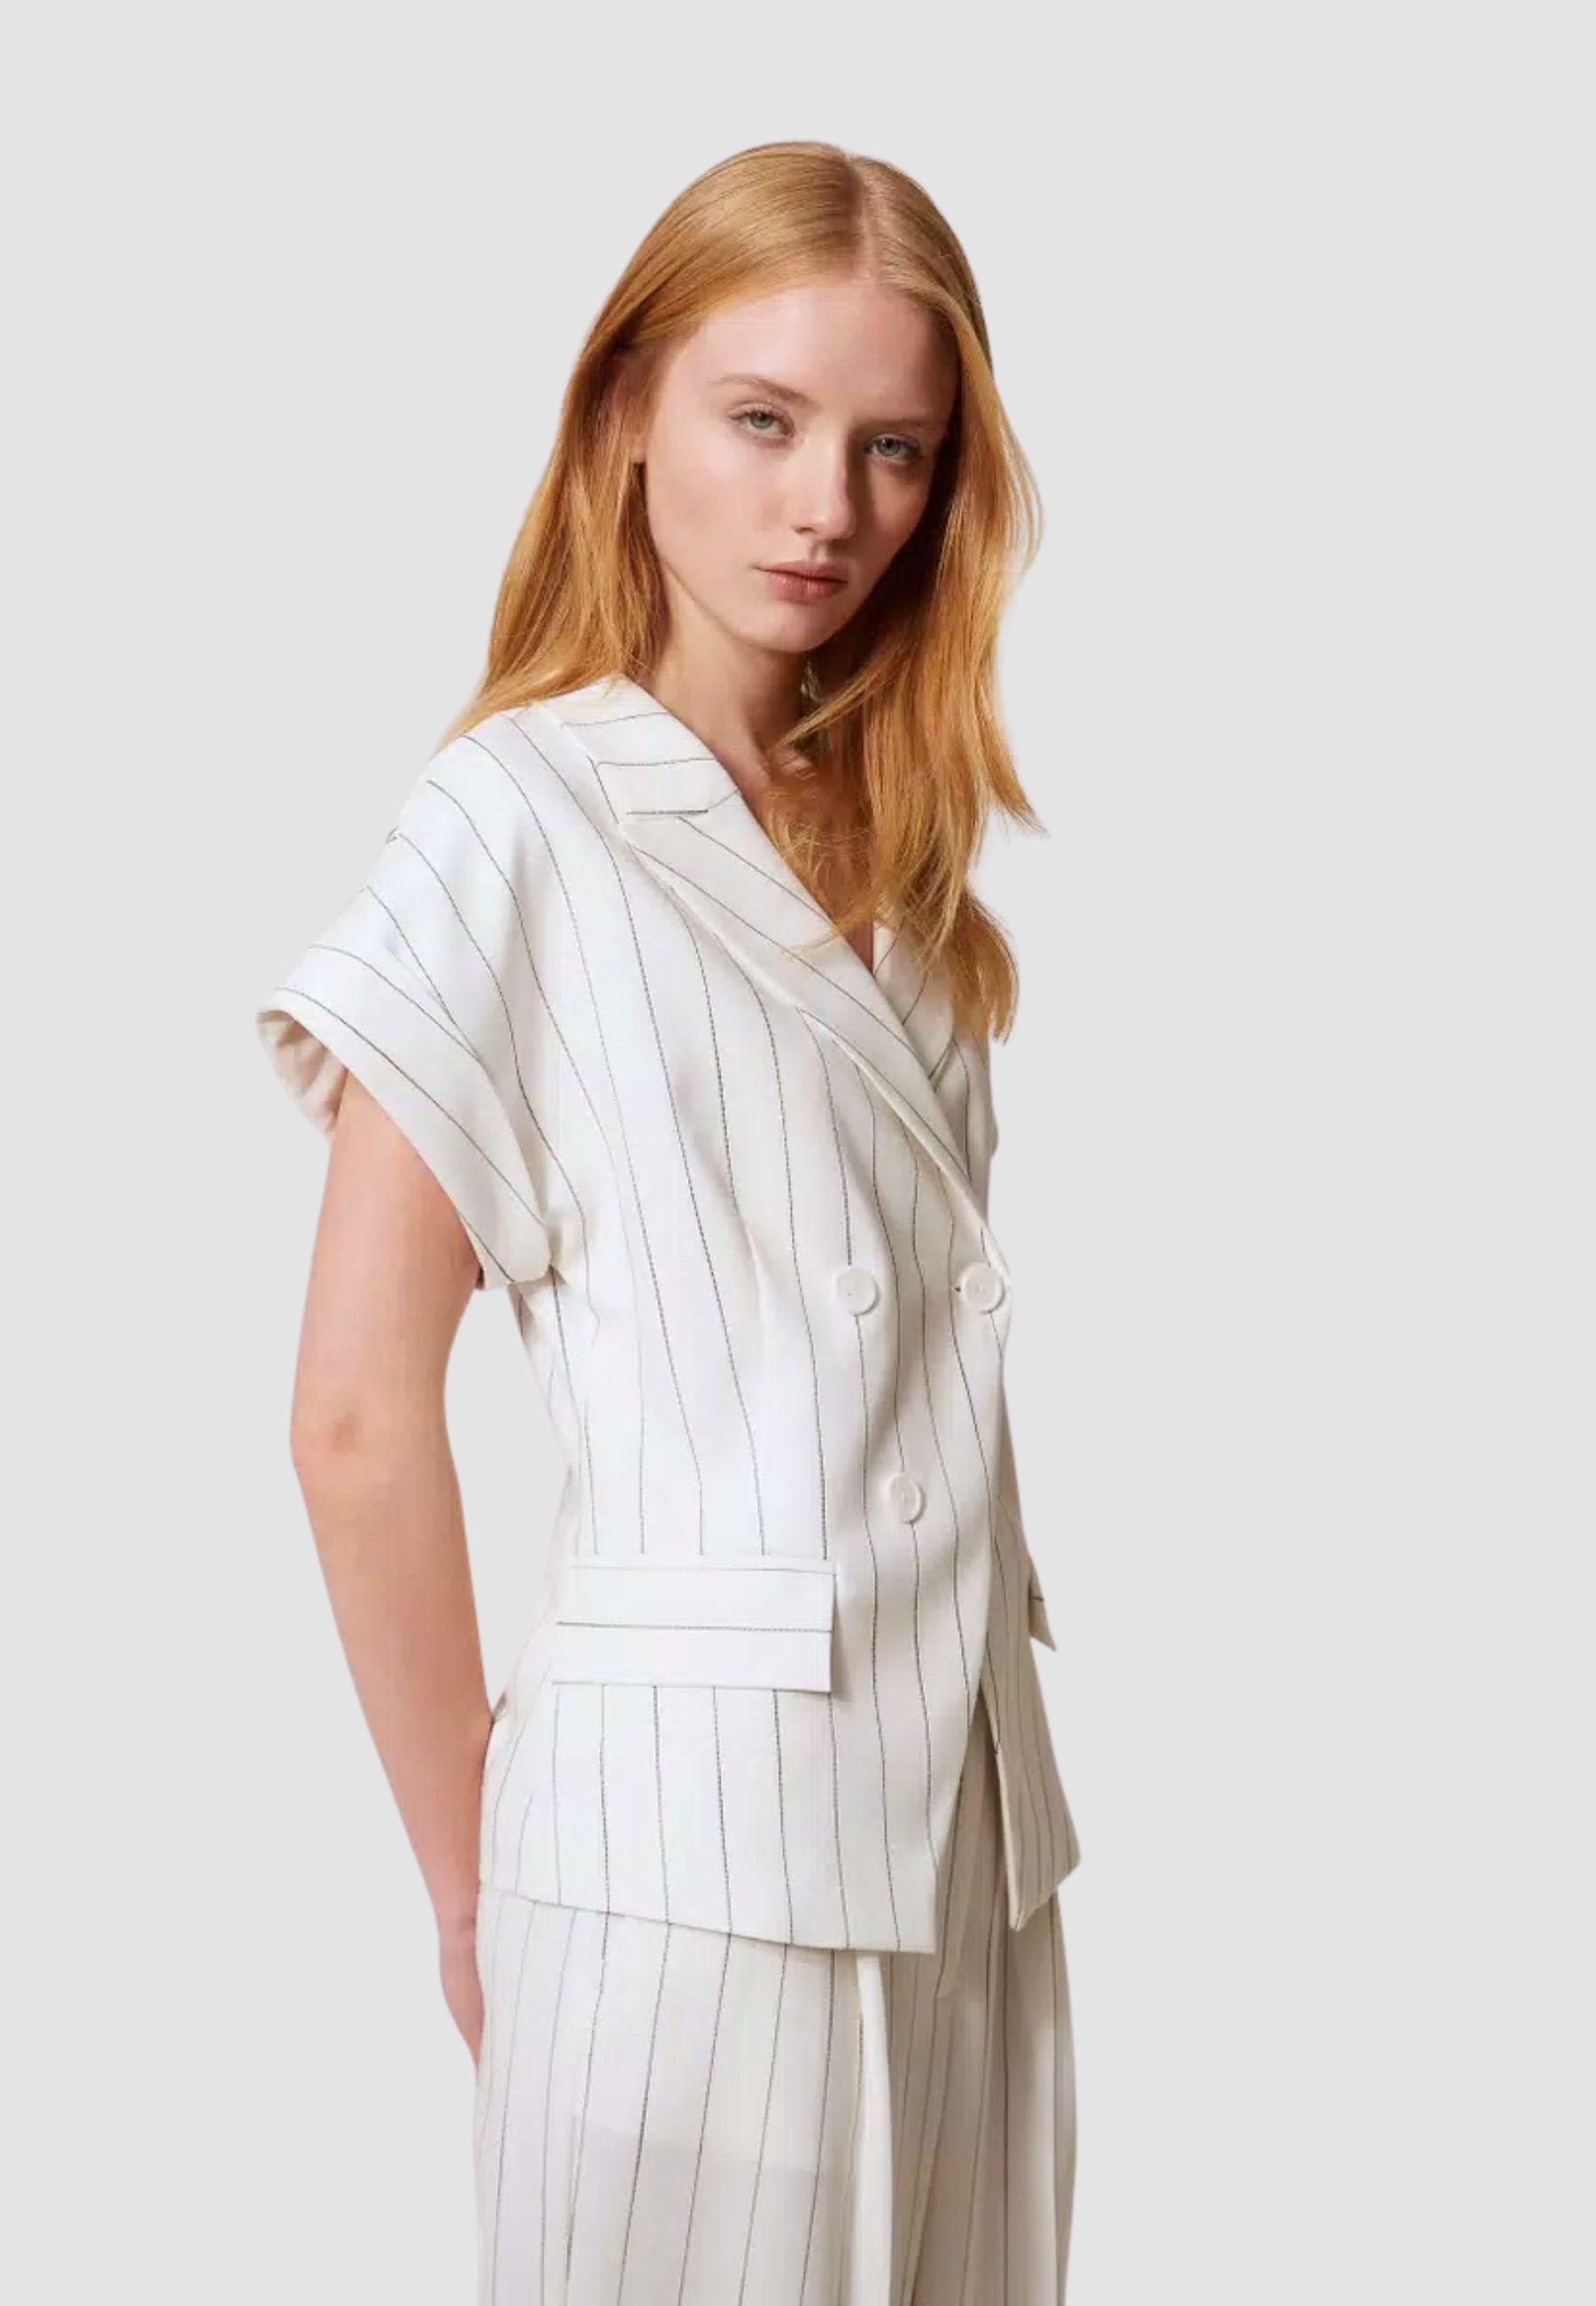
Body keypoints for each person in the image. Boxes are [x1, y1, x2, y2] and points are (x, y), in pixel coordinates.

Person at [255, 138, 1083, 2304]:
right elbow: (354, 1415)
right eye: (763, 420)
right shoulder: (514, 815)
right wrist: (469, 1880)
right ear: (626, 409)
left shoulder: (905, 842)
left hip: (969, 1845)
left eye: (895, 448)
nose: (829, 509)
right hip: (684, 1866)